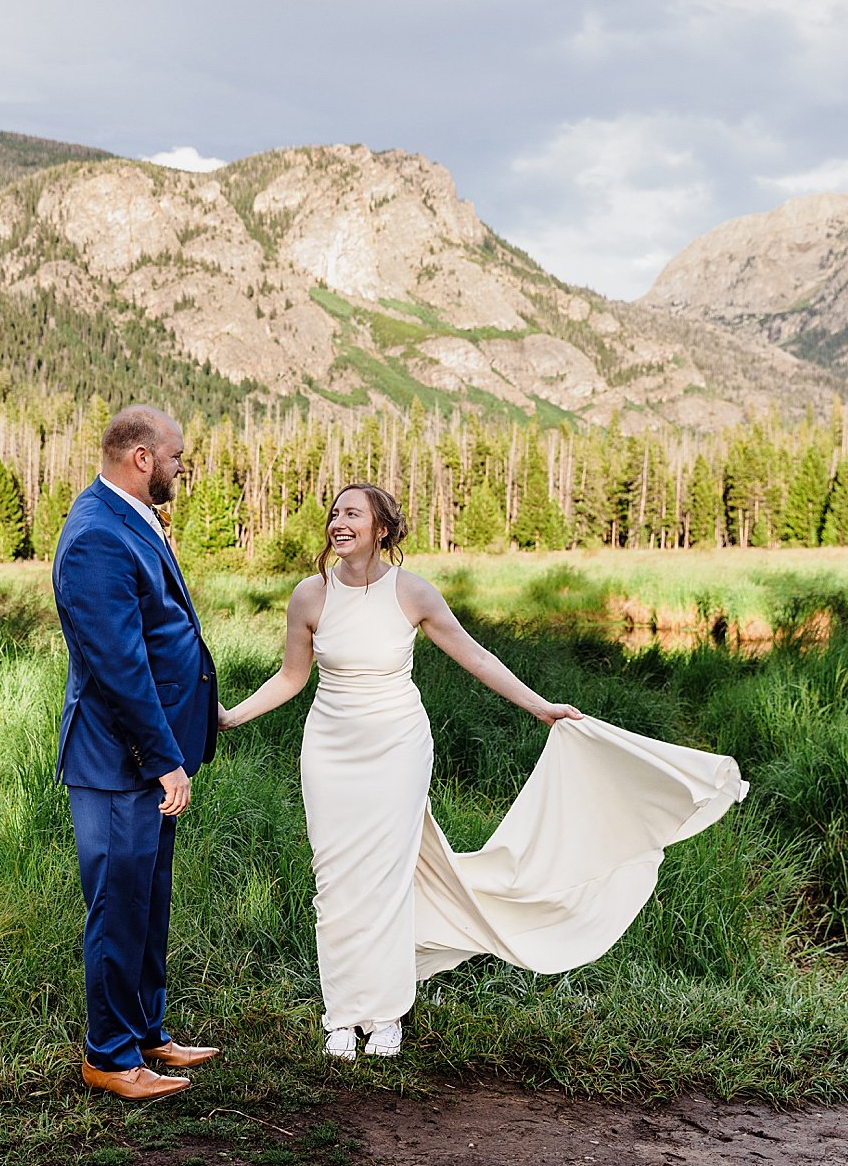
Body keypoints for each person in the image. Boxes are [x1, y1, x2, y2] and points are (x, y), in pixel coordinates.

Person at [220, 483, 747, 1060]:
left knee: (389, 879)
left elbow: (477, 656)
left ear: (381, 529)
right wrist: (231, 716)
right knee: (335, 880)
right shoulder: (309, 597)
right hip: (329, 750)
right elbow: (292, 676)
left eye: (352, 514)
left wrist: (540, 706)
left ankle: (387, 1013)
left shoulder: (412, 592)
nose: (338, 523)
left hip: (397, 747)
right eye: (335, 514)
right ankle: (344, 1016)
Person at [52, 405, 221, 1100]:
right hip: (120, 761)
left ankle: (147, 1033)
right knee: (118, 907)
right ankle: (109, 1056)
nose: (184, 468)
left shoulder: (127, 518)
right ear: (143, 458)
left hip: (149, 755)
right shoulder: (95, 533)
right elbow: (119, 664)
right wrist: (161, 756)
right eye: (178, 457)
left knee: (148, 903)